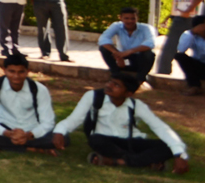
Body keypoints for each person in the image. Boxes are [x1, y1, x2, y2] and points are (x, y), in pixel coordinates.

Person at [52, 74, 189, 174]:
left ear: (128, 93)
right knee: (95, 140)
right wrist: (60, 131)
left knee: (166, 147)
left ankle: (117, 161)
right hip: (106, 141)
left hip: (131, 141)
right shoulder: (93, 97)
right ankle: (144, 162)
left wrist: (179, 154)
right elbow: (75, 119)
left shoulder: (137, 105)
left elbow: (160, 127)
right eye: (110, 82)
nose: (109, 86)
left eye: (116, 85)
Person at [0, 53, 58, 154]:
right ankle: (32, 148)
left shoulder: (39, 89)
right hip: (5, 127)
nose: (16, 76)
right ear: (4, 70)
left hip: (32, 129)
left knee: (63, 136)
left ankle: (3, 145)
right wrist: (7, 133)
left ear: (27, 71)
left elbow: (48, 122)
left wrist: (29, 135)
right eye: (11, 71)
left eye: (21, 72)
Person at [157, 0, 204, 75]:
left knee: (170, 45)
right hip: (184, 17)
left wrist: (187, 11)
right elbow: (182, 1)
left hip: (185, 19)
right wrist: (169, 16)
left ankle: (163, 72)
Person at [98, 7, 156, 88]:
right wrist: (116, 53)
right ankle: (116, 75)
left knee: (149, 54)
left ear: (137, 18)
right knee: (103, 48)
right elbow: (103, 39)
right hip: (122, 59)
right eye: (126, 18)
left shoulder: (146, 28)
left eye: (133, 18)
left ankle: (140, 79)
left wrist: (130, 51)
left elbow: (151, 43)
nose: (130, 21)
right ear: (120, 18)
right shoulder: (116, 26)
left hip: (138, 59)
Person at [175, 15, 205, 96]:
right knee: (180, 56)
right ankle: (195, 86)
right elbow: (181, 49)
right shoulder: (191, 35)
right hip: (200, 67)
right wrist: (192, 32)